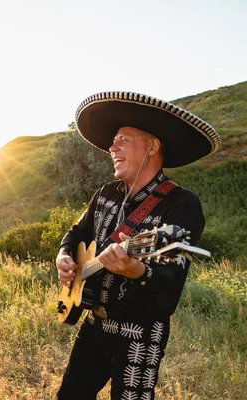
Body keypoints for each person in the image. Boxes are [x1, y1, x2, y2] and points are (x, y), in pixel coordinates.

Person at [55, 92, 221, 399]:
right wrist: (64, 257)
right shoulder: (105, 193)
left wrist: (136, 270)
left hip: (140, 335)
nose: (111, 147)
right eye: (113, 141)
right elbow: (76, 233)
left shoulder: (182, 205)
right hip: (94, 323)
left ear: (152, 145)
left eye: (122, 139)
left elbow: (169, 288)